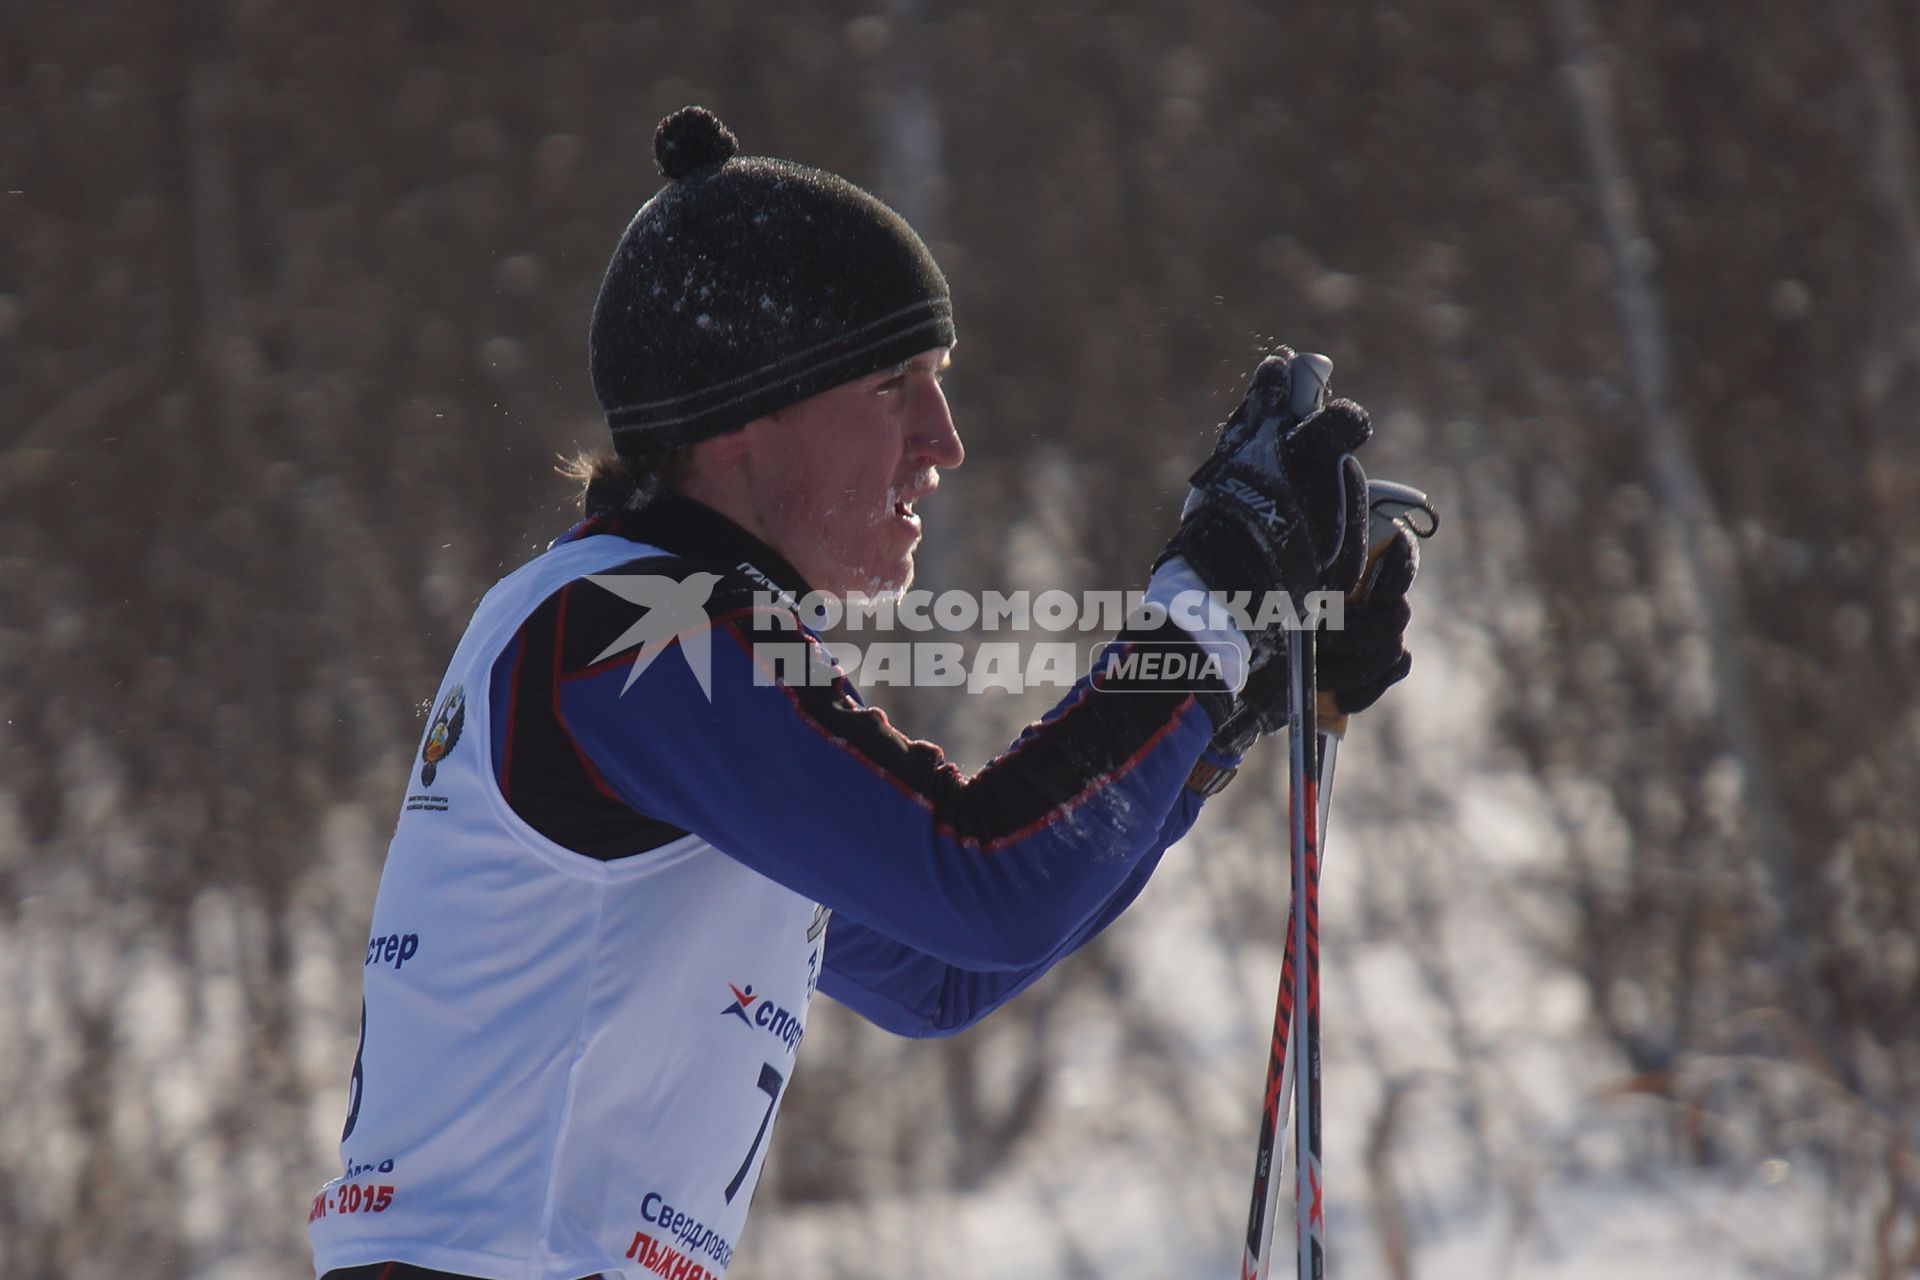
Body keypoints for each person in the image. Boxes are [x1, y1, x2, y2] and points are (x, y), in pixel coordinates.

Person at [308, 106, 1418, 1280]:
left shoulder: (640, 629)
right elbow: (983, 880)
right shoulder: (636, 629)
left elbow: (943, 969)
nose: (944, 440)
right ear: (745, 412)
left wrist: (1220, 700)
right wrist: (1212, 605)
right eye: (896, 384)